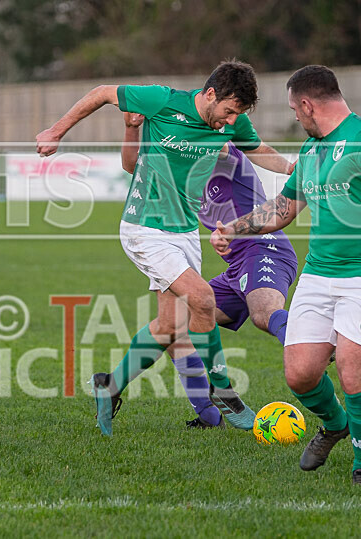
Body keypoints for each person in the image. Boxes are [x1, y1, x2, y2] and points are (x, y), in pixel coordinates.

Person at [211, 65, 361, 485]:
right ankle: (335, 425)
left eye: (294, 111)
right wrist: (234, 227)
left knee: (353, 371)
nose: (295, 119)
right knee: (300, 373)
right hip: (319, 273)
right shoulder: (312, 152)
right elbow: (282, 211)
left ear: (307, 104)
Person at [36, 60, 295, 436]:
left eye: (236, 115)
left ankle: (109, 387)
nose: (229, 122)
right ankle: (222, 391)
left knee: (170, 326)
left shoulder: (233, 122)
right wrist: (56, 131)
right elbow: (103, 93)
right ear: (209, 94)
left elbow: (258, 149)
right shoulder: (161, 99)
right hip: (145, 228)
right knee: (203, 298)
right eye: (227, 111)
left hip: (185, 231)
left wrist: (292, 170)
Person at [121, 112, 298, 429]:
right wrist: (131, 128)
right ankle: (209, 413)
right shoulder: (181, 173)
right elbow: (132, 166)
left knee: (263, 313)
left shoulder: (223, 152)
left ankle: (308, 343)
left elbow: (222, 145)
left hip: (264, 247)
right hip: (235, 267)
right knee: (176, 329)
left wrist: (176, 123)